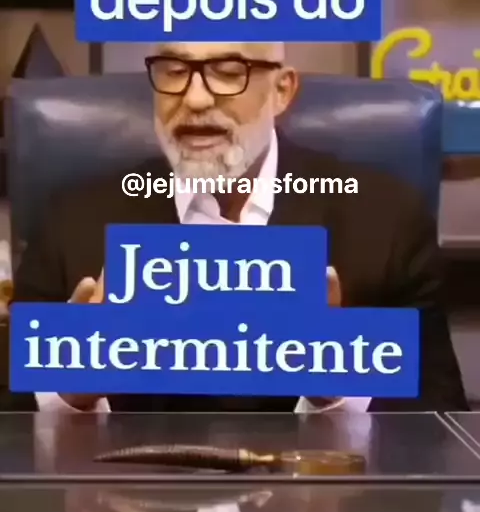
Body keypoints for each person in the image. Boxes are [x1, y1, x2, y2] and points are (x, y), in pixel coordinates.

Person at [7, 41, 468, 414]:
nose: (195, 98)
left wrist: (339, 384)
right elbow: (11, 416)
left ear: (282, 90)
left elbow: (439, 428)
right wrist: (68, 390)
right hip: (128, 500)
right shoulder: (72, 220)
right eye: (173, 70)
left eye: (229, 72)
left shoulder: (386, 220)